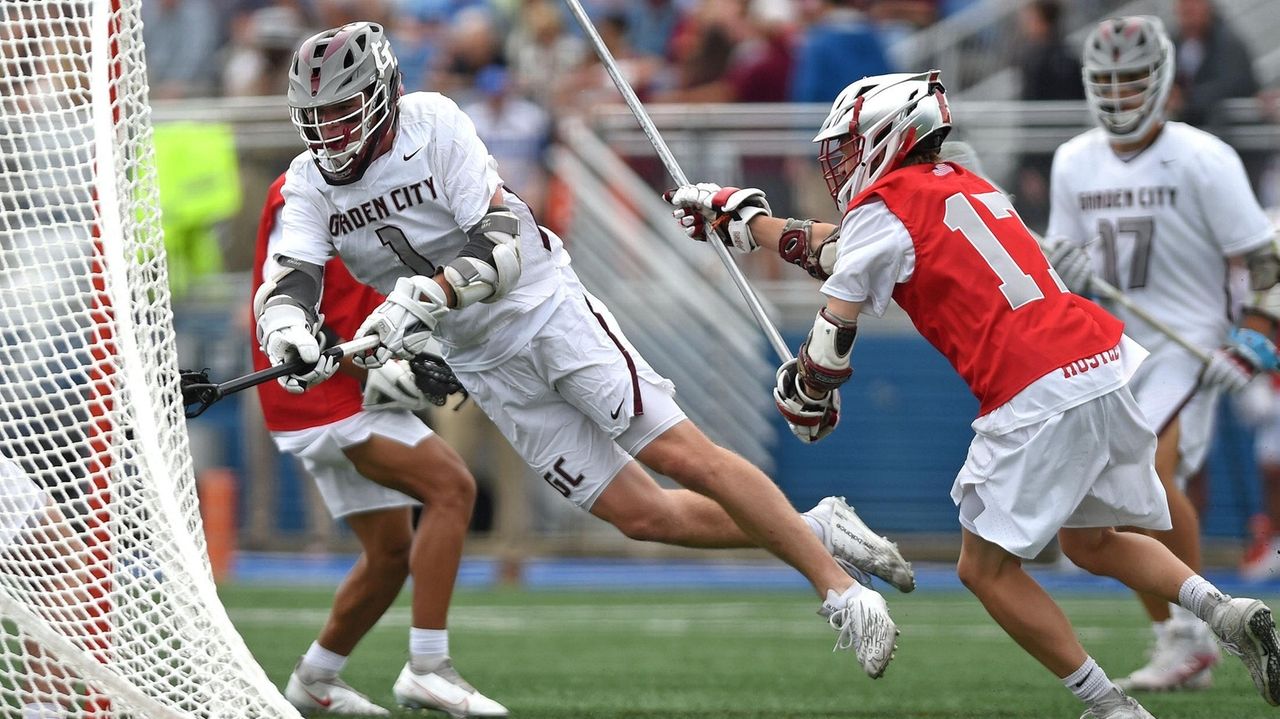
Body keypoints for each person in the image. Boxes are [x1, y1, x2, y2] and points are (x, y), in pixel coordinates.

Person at [252, 20, 916, 684]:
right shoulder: (309, 180)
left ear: (384, 92)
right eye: (318, 118)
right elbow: (290, 279)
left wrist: (427, 295)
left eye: (344, 110)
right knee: (641, 513)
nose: (331, 131)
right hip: (483, 361)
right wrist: (291, 332)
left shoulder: (433, 123)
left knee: (677, 453)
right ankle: (816, 527)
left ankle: (844, 594)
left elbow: (503, 239)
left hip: (545, 312)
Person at [665, 69, 1280, 718]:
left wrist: (809, 387)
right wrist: (747, 218)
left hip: (1032, 385)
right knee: (1090, 539)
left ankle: (1111, 707)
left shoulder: (886, 206)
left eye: (850, 147)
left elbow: (834, 319)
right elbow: (845, 250)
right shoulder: (967, 184)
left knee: (983, 570)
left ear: (890, 137)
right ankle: (1225, 609)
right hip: (1099, 359)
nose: (841, 165)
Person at [1041, 15, 1280, 693]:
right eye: (1107, 82)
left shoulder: (1204, 157)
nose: (1118, 95)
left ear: (1163, 78)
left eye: (1132, 80)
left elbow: (1265, 259)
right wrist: (1066, 266)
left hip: (1185, 342)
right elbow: (1065, 270)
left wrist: (1254, 338)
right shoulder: (1072, 159)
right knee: (1122, 497)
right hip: (1110, 346)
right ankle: (1184, 633)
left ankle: (1189, 632)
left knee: (1139, 479)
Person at [249, 173, 506, 717]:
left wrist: (402, 362)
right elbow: (283, 295)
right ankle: (428, 668)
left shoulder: (375, 172)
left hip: (345, 382)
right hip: (324, 389)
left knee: (390, 553)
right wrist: (371, 368)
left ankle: (316, 677)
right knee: (452, 488)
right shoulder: (299, 189)